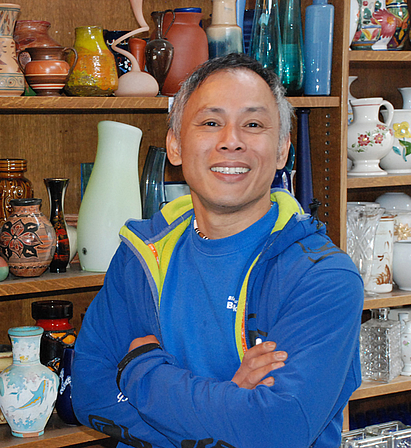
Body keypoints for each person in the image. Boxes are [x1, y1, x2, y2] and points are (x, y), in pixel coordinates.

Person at [71, 53, 363, 448]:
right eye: (210, 122)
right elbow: (90, 392)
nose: (231, 141)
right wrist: (232, 399)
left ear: (281, 151)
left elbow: (275, 429)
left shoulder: (322, 277)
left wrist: (140, 369)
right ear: (175, 145)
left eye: (254, 124)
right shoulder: (142, 253)